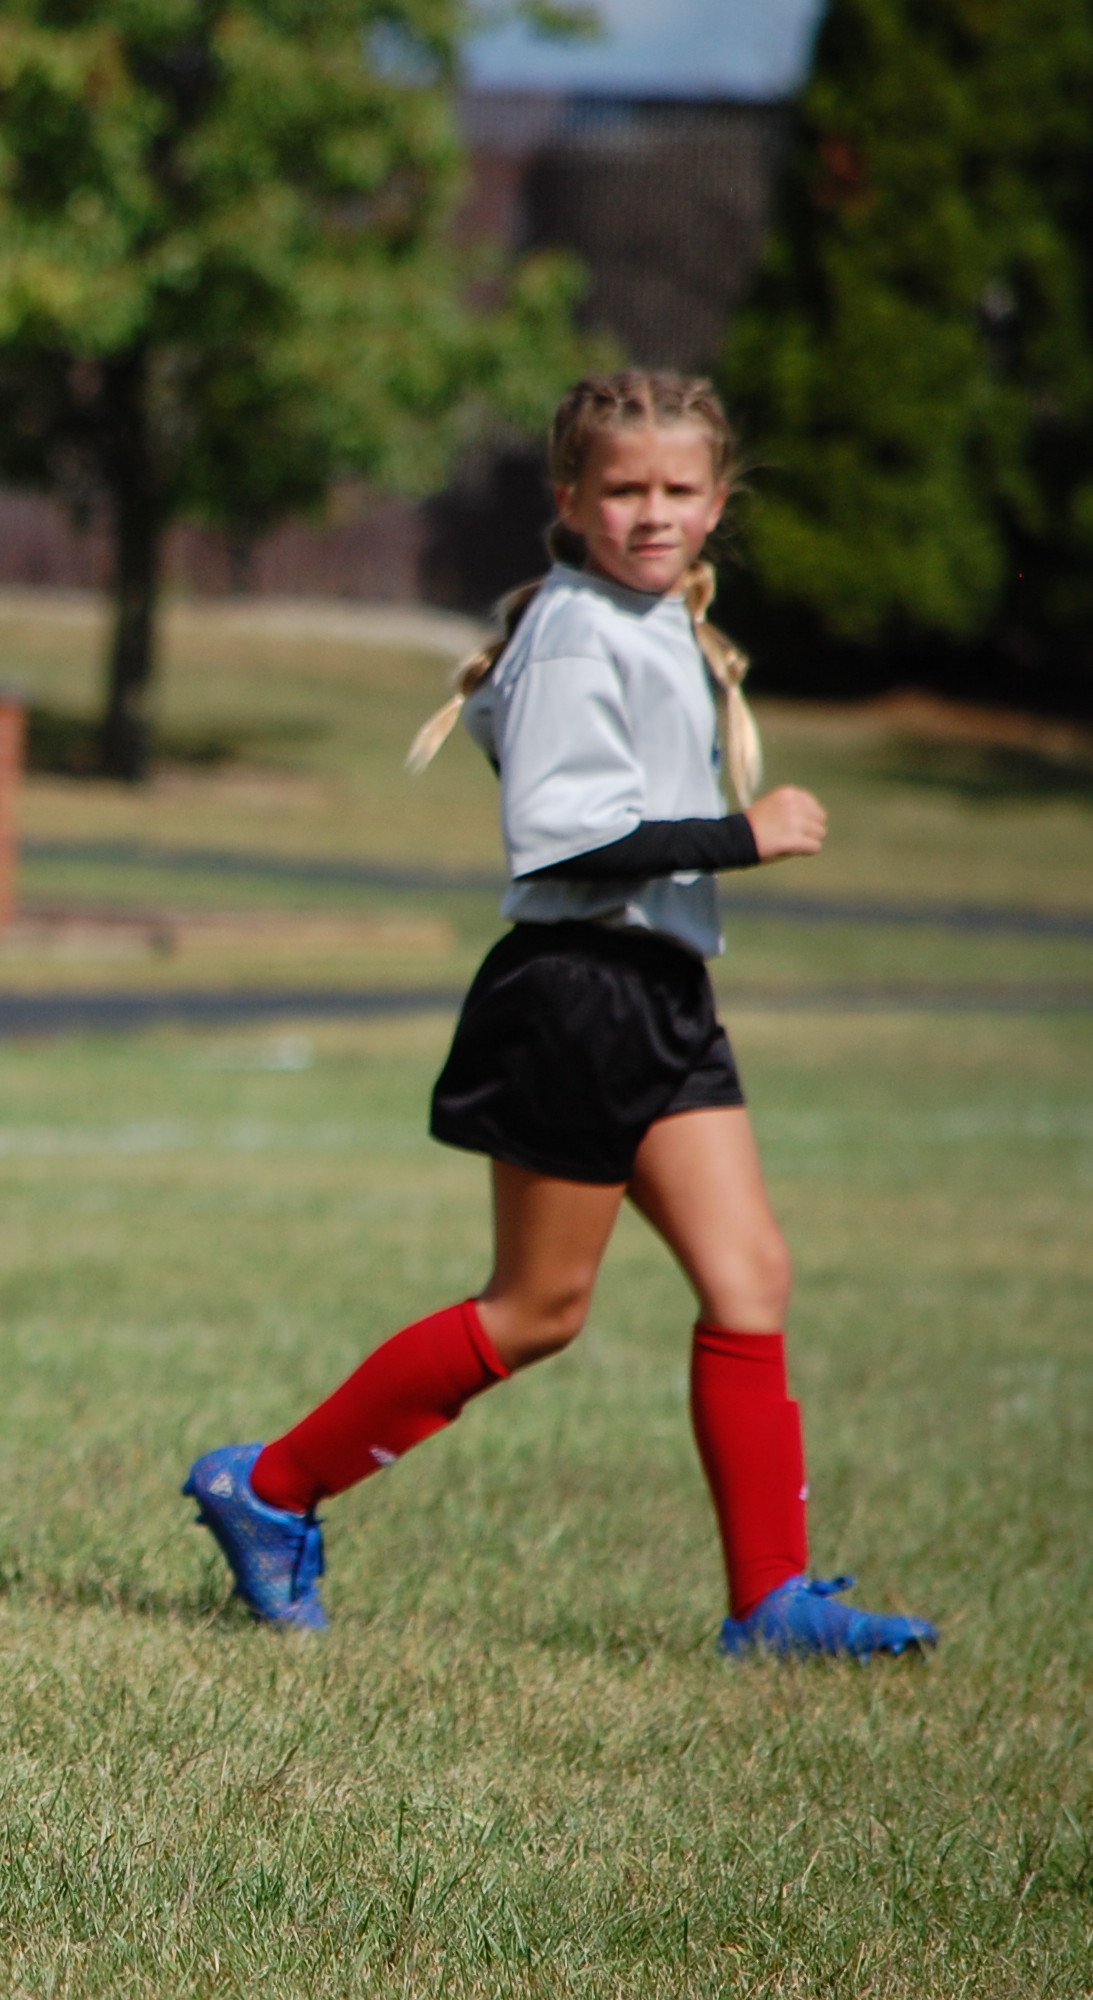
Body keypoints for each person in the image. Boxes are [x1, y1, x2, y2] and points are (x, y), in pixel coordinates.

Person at [182, 372, 937, 1659]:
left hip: (662, 992)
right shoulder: (579, 628)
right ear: (570, 498)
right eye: (623, 488)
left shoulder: (650, 620)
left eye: (678, 488)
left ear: (717, 500)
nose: (652, 511)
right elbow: (562, 834)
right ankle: (272, 1486)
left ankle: (767, 1602)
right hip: (576, 996)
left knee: (748, 1276)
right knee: (537, 1307)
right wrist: (739, 834)